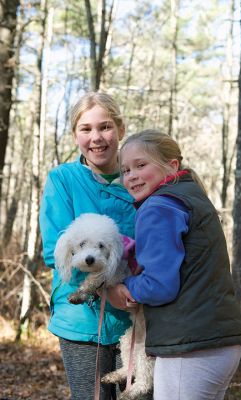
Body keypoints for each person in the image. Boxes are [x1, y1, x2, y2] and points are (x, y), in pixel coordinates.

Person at [108, 129, 241, 400]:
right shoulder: (190, 197)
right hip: (220, 343)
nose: (131, 176)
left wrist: (125, 286)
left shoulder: (159, 206)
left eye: (141, 165)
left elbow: (159, 286)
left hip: (190, 347)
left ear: (171, 166)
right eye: (125, 170)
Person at [39, 92, 136, 400]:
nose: (97, 137)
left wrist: (137, 290)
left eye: (105, 127)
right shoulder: (63, 179)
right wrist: (107, 290)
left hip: (140, 315)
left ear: (120, 129)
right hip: (80, 316)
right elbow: (56, 247)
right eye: (86, 129)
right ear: (75, 135)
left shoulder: (141, 177)